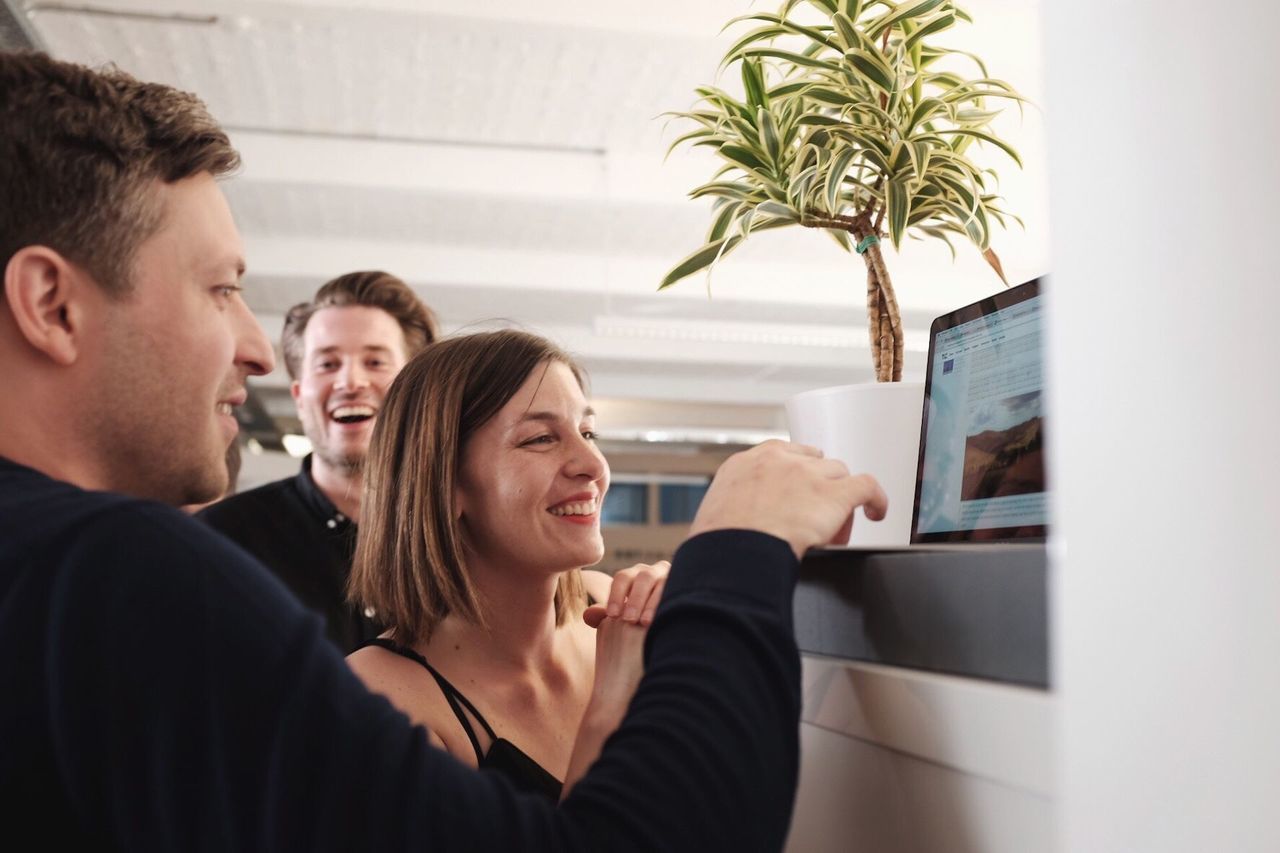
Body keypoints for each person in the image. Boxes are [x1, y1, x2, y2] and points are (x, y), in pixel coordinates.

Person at [0, 50, 888, 850]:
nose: (260, 350)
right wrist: (738, 552)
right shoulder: (116, 573)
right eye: (219, 289)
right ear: (50, 302)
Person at [346, 330, 669, 800]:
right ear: (446, 482)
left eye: (587, 433)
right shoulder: (377, 703)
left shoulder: (608, 606)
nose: (592, 463)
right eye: (540, 439)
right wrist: (614, 700)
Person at [198, 270, 437, 650]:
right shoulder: (219, 544)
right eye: (327, 364)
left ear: (417, 392)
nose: (350, 382)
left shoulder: (467, 543)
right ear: (298, 395)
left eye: (375, 362)